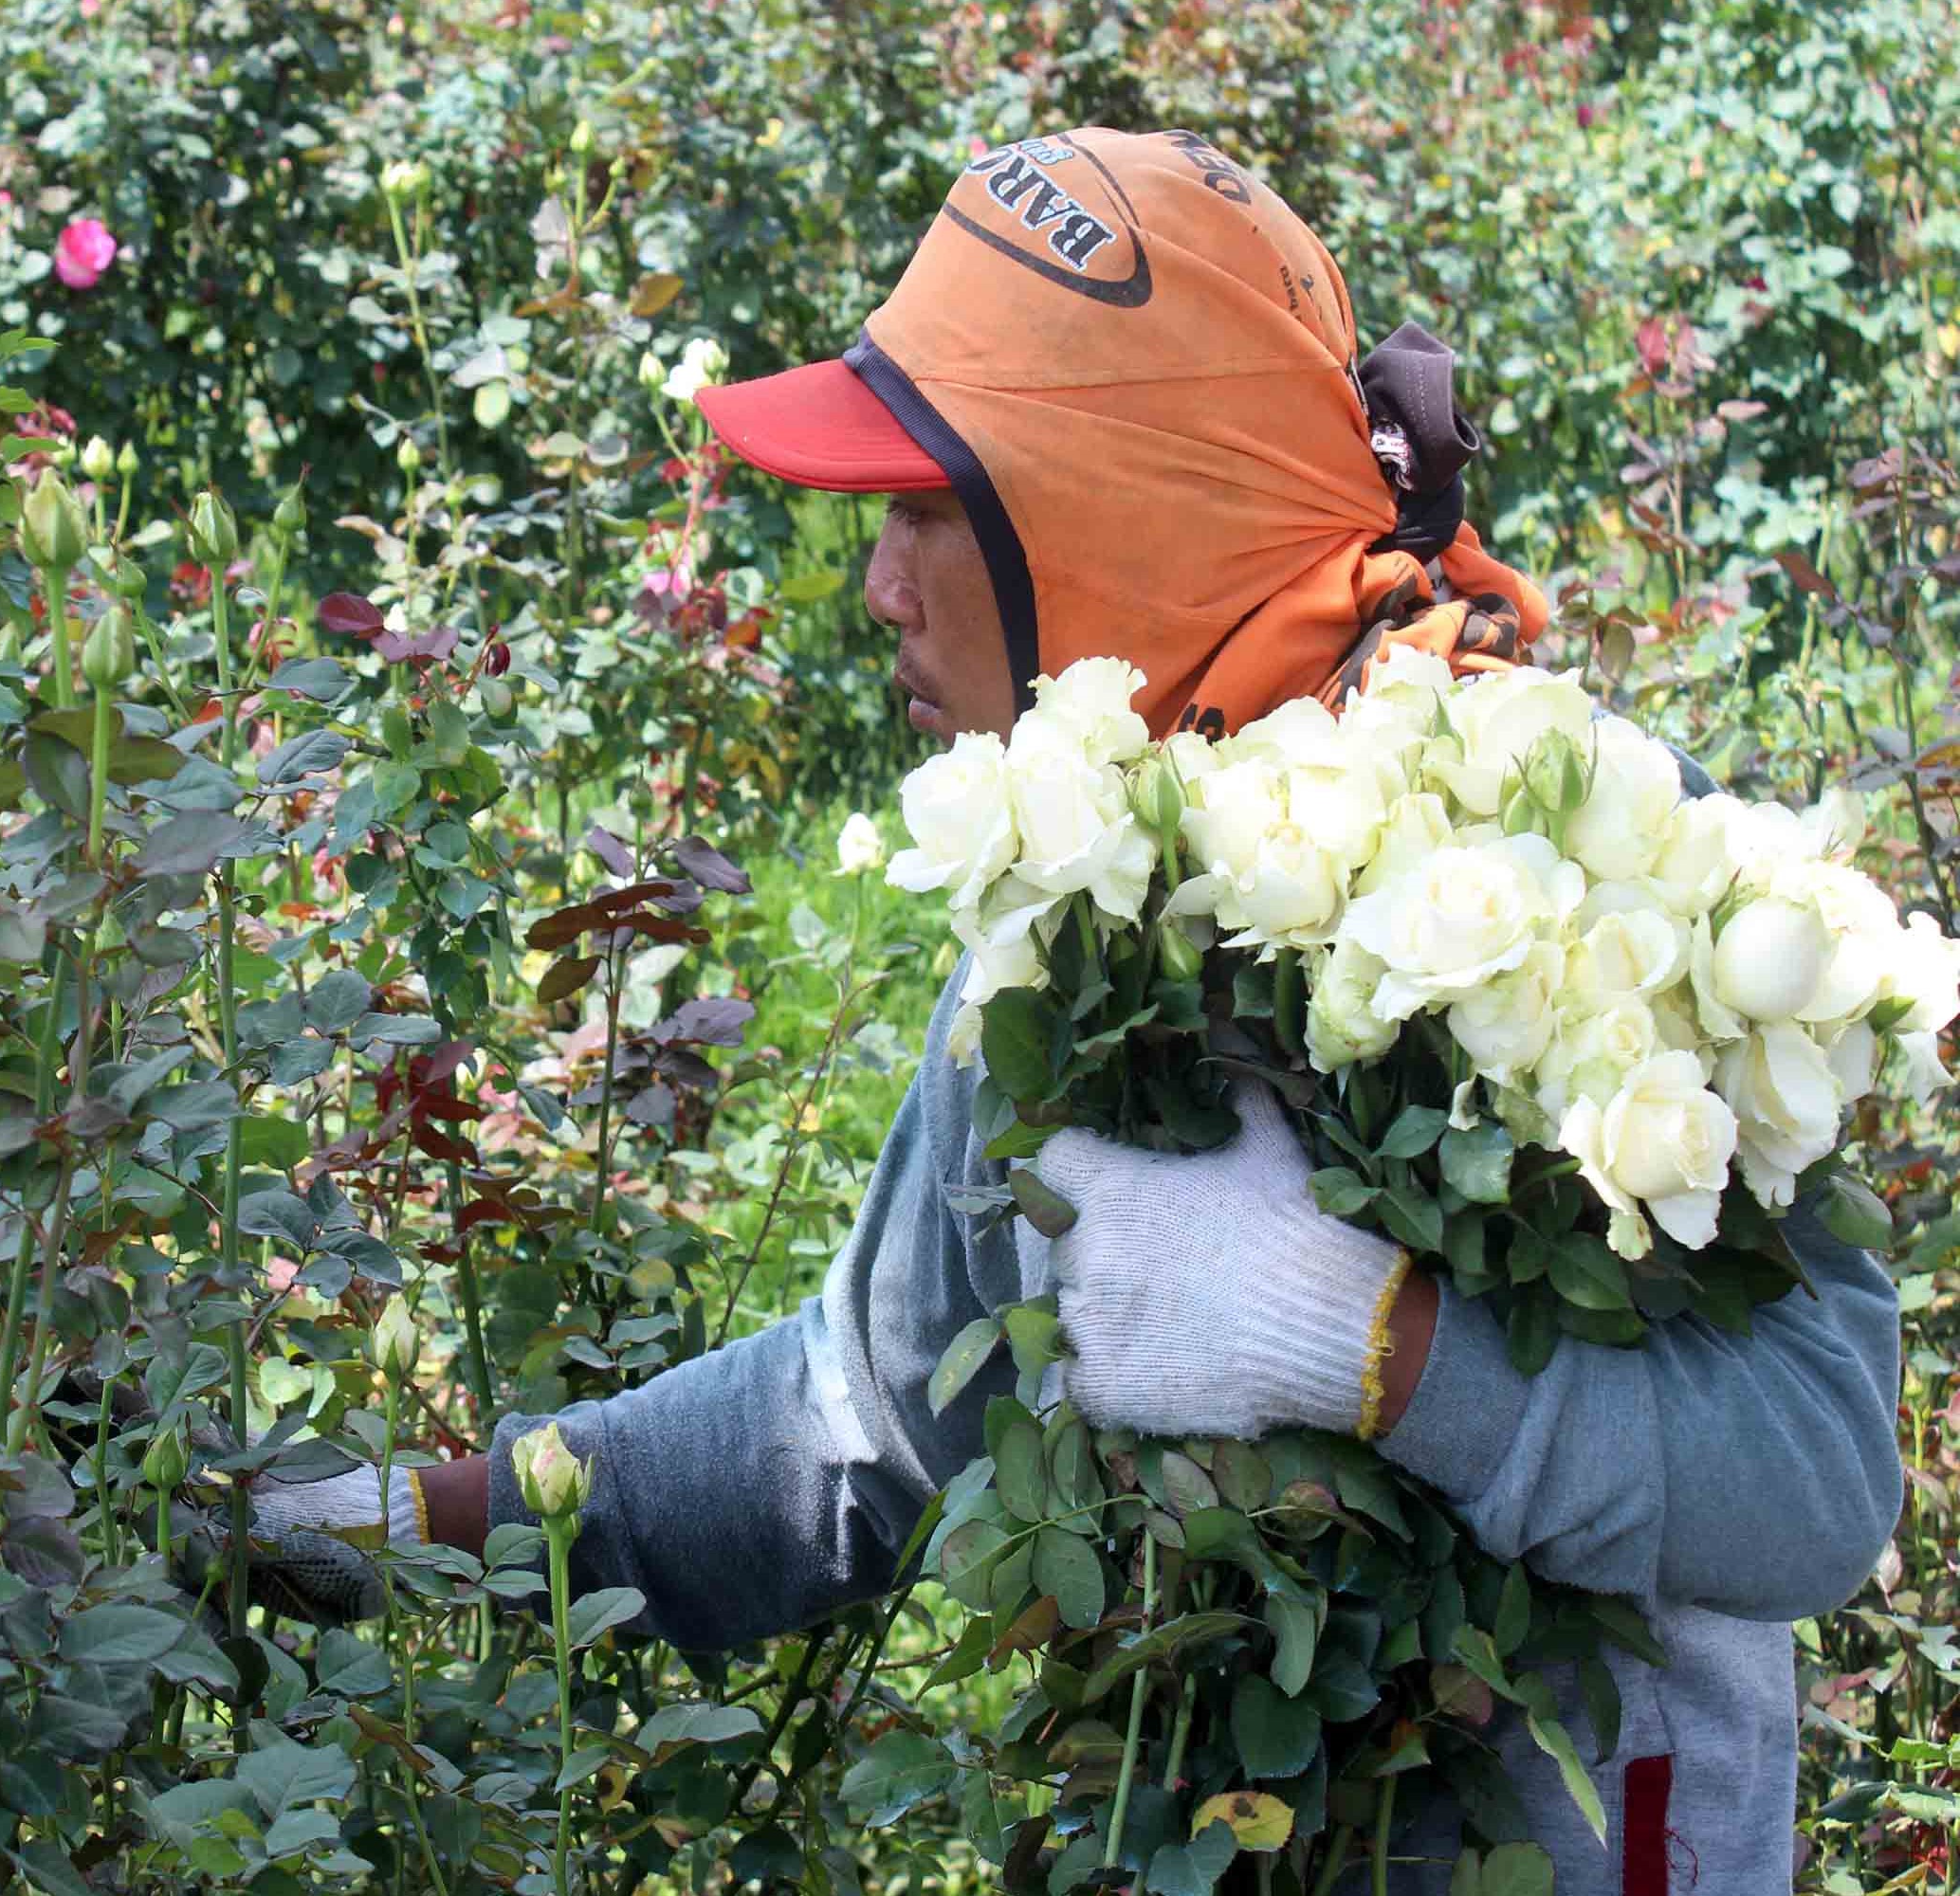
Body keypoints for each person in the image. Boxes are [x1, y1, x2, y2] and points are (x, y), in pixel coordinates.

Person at [235, 126, 1906, 1893]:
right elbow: (862, 1420)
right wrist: (416, 1520)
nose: (878, 587)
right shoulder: (1079, 924)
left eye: (931, 509)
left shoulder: (1584, 870)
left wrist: (1382, 1351)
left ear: (1119, 520)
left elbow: (1816, 1478)